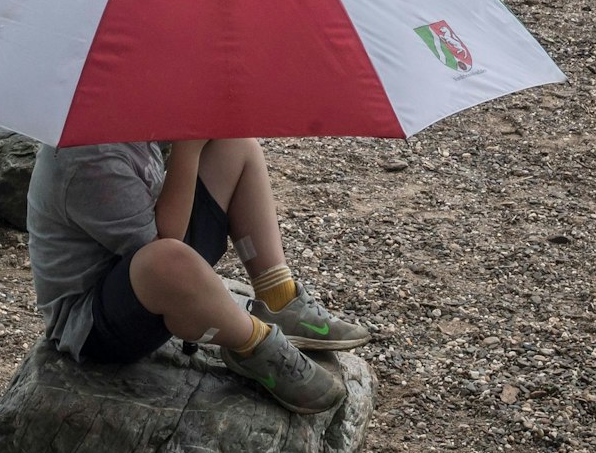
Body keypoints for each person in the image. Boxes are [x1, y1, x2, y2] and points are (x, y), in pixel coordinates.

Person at [26, 137, 373, 414]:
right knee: (166, 258)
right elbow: (164, 246)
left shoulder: (124, 125)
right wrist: (188, 148)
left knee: (235, 144)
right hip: (95, 326)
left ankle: (279, 298)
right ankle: (254, 345)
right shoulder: (86, 158)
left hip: (158, 270)